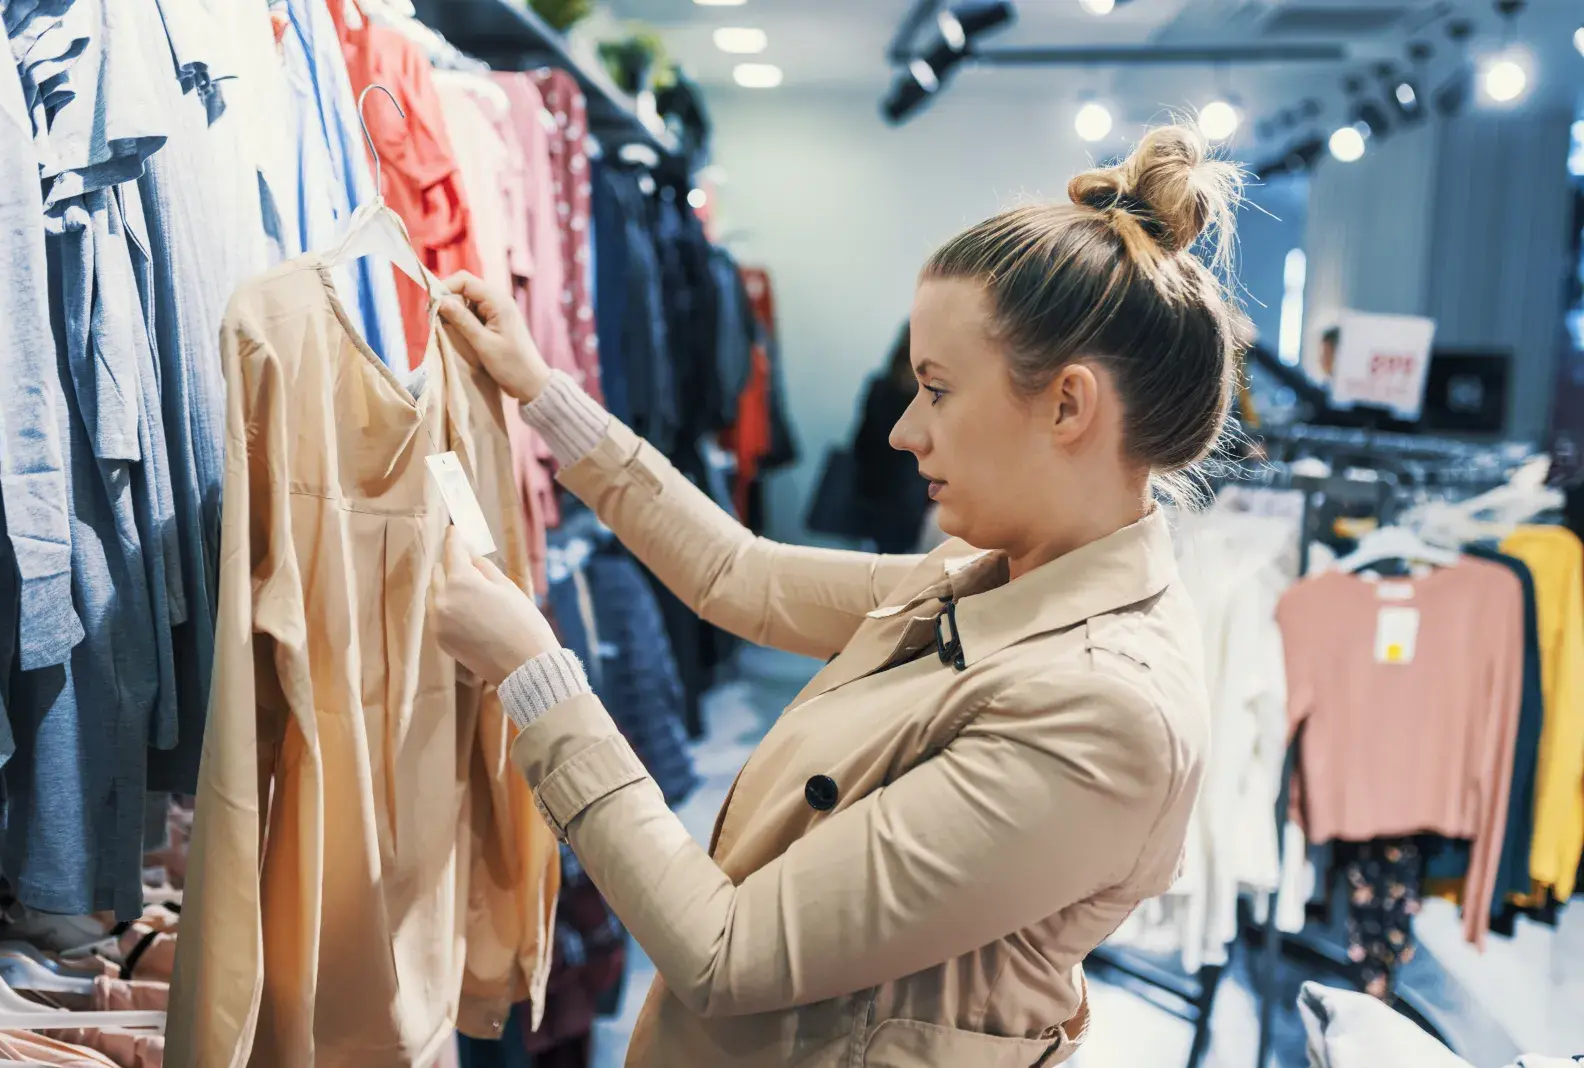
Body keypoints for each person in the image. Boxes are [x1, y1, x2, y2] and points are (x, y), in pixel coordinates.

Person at [432, 123, 1247, 1067]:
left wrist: (534, 676)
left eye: (937, 390)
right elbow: (742, 575)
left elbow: (727, 951)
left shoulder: (1104, 710)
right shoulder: (997, 580)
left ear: (1068, 405)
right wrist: (544, 396)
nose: (904, 432)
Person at [849, 321, 932, 554]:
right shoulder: (935, 397)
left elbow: (861, 447)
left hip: (875, 505)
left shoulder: (880, 387)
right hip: (913, 508)